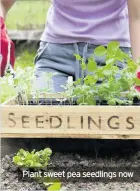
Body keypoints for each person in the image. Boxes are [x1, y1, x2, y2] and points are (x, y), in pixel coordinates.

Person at [1, 0, 140, 92]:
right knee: (43, 122)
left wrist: (137, 69)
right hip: (55, 58)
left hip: (110, 59)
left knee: (109, 128)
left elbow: (137, 16)